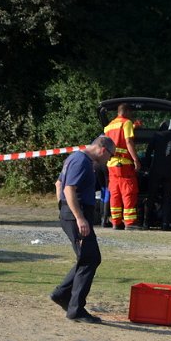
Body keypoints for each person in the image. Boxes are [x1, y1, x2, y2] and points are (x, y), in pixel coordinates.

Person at [49, 135, 115, 324]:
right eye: (110, 156)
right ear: (103, 150)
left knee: (87, 257)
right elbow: (69, 189)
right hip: (76, 214)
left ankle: (62, 295)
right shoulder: (83, 161)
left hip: (70, 213)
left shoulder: (74, 158)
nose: (108, 161)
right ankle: (75, 309)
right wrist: (78, 217)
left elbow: (58, 184)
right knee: (90, 258)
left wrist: (62, 209)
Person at [104, 103, 142, 229]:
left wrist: (135, 126)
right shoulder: (126, 123)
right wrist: (136, 160)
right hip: (124, 163)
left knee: (115, 192)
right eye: (130, 112)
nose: (131, 115)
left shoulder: (109, 126)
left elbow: (114, 140)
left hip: (111, 164)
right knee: (128, 191)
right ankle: (130, 223)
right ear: (126, 111)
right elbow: (128, 141)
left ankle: (116, 222)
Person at [143, 119, 171, 230]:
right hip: (169, 173)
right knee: (168, 198)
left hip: (155, 171)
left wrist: (146, 167)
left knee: (151, 196)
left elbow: (148, 153)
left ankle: (146, 223)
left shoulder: (157, 135)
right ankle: (165, 224)